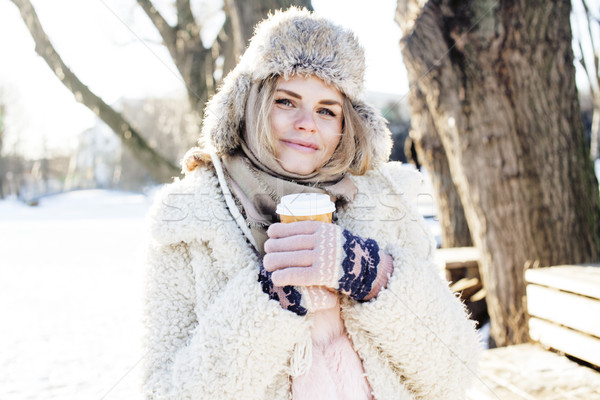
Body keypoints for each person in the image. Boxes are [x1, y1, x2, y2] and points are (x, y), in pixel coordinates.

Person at [142, 7, 480, 400]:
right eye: (287, 101)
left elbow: (455, 372)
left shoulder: (388, 202)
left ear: (345, 126)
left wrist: (373, 274)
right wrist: (272, 298)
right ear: (253, 103)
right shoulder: (190, 219)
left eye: (326, 110)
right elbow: (165, 393)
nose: (307, 123)